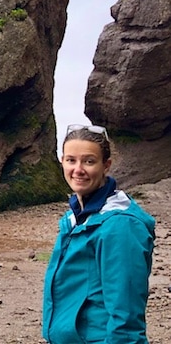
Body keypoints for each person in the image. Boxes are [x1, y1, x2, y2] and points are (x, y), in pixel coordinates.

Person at [43, 124, 155, 344]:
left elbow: (127, 317)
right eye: (71, 160)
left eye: (89, 161)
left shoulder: (121, 226)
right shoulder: (75, 218)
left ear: (106, 165)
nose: (78, 169)